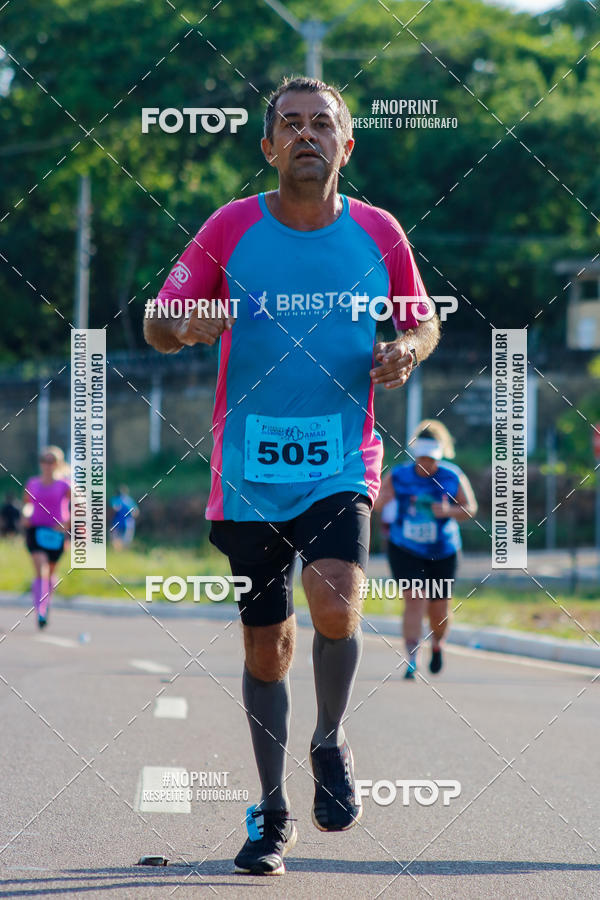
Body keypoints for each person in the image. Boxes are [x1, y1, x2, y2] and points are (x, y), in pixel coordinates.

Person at [144, 75, 440, 875]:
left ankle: (330, 736)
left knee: (337, 595)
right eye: (291, 124)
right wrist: (183, 326)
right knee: (266, 648)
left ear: (347, 146)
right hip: (247, 469)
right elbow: (156, 320)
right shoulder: (230, 226)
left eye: (323, 124)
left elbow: (422, 320)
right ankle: (272, 813)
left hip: (341, 456)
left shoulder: (379, 232)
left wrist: (407, 350)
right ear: (269, 146)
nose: (307, 135)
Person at [376, 420, 477, 679]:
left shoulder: (452, 475)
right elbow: (376, 501)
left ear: (440, 455)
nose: (426, 464)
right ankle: (412, 658)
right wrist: (380, 502)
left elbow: (470, 508)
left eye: (431, 458)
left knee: (438, 608)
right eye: (422, 457)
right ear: (415, 455)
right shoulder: (399, 475)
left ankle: (437, 643)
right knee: (415, 598)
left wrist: (449, 511)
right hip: (405, 548)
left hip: (443, 550)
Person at [22, 446, 70, 628]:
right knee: (41, 569)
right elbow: (27, 504)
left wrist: (67, 523)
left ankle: (46, 601)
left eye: (52, 461)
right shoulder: (32, 483)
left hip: (56, 533)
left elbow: (80, 508)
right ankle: (40, 611)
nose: (48, 464)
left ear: (58, 463)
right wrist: (25, 515)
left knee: (50, 573)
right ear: (40, 463)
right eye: (44, 460)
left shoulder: (65, 485)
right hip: (35, 530)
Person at [109, 485, 139, 550]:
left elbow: (114, 509)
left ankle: (118, 551)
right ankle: (123, 551)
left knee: (116, 538)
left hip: (118, 521)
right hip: (128, 522)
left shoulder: (115, 499)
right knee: (125, 540)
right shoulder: (129, 500)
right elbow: (136, 512)